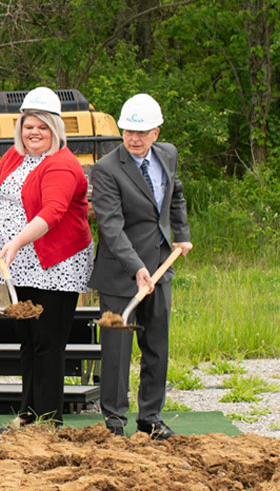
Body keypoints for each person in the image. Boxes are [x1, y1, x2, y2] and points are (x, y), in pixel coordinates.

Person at [0, 86, 94, 429]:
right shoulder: (18, 153)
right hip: (22, 263)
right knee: (27, 338)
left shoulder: (62, 165)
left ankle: (48, 418)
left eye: (42, 126)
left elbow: (52, 212)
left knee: (48, 341)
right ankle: (28, 413)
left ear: (55, 128)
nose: (34, 132)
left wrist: (15, 243)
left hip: (55, 263)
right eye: (29, 125)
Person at [89, 93, 192, 440]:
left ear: (156, 133)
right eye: (128, 131)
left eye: (142, 132)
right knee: (116, 352)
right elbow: (111, 227)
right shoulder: (106, 169)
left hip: (161, 267)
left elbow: (175, 195)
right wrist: (135, 267)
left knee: (156, 347)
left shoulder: (168, 155)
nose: (134, 138)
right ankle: (114, 422)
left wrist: (183, 235)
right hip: (121, 273)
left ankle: (150, 417)